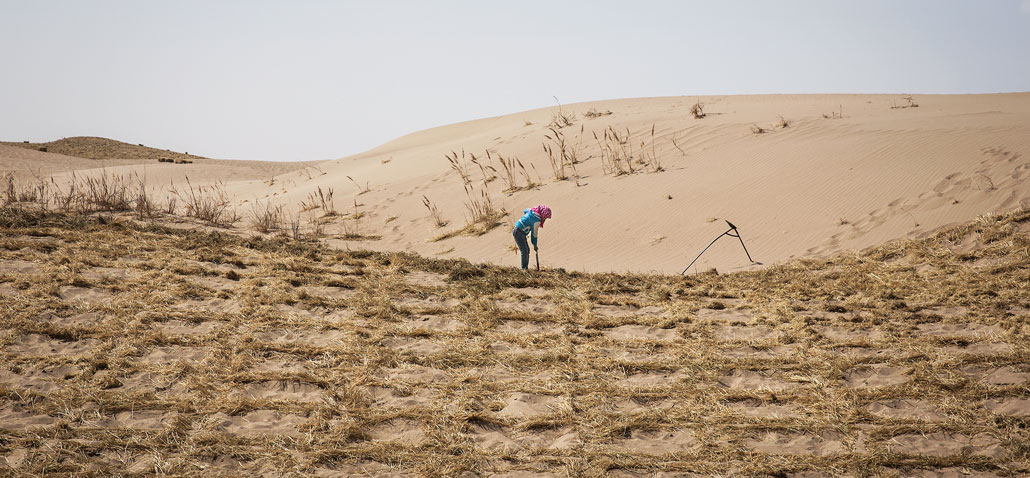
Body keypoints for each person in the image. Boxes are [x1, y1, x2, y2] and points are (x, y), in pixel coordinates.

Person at [512, 205, 551, 270]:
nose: (545, 219)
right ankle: (524, 269)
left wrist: (527, 220)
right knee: (525, 251)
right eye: (545, 218)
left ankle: (525, 268)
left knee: (527, 250)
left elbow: (525, 210)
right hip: (519, 233)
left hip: (518, 231)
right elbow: (534, 234)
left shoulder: (532, 211)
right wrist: (535, 245)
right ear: (543, 215)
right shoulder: (537, 220)